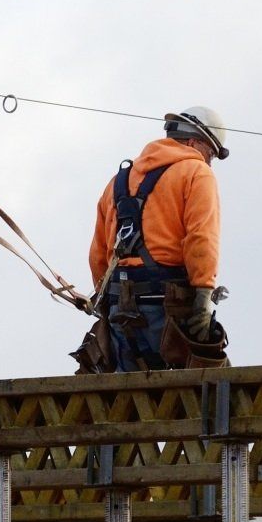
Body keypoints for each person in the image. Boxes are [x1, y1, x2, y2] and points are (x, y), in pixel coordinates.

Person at [73, 106, 230, 373]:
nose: (210, 161)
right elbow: (201, 237)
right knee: (209, 384)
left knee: (129, 396)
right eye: (211, 153)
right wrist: (203, 295)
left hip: (119, 308)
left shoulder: (118, 181)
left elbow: (99, 253)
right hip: (167, 305)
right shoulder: (196, 172)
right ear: (194, 142)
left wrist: (104, 297)